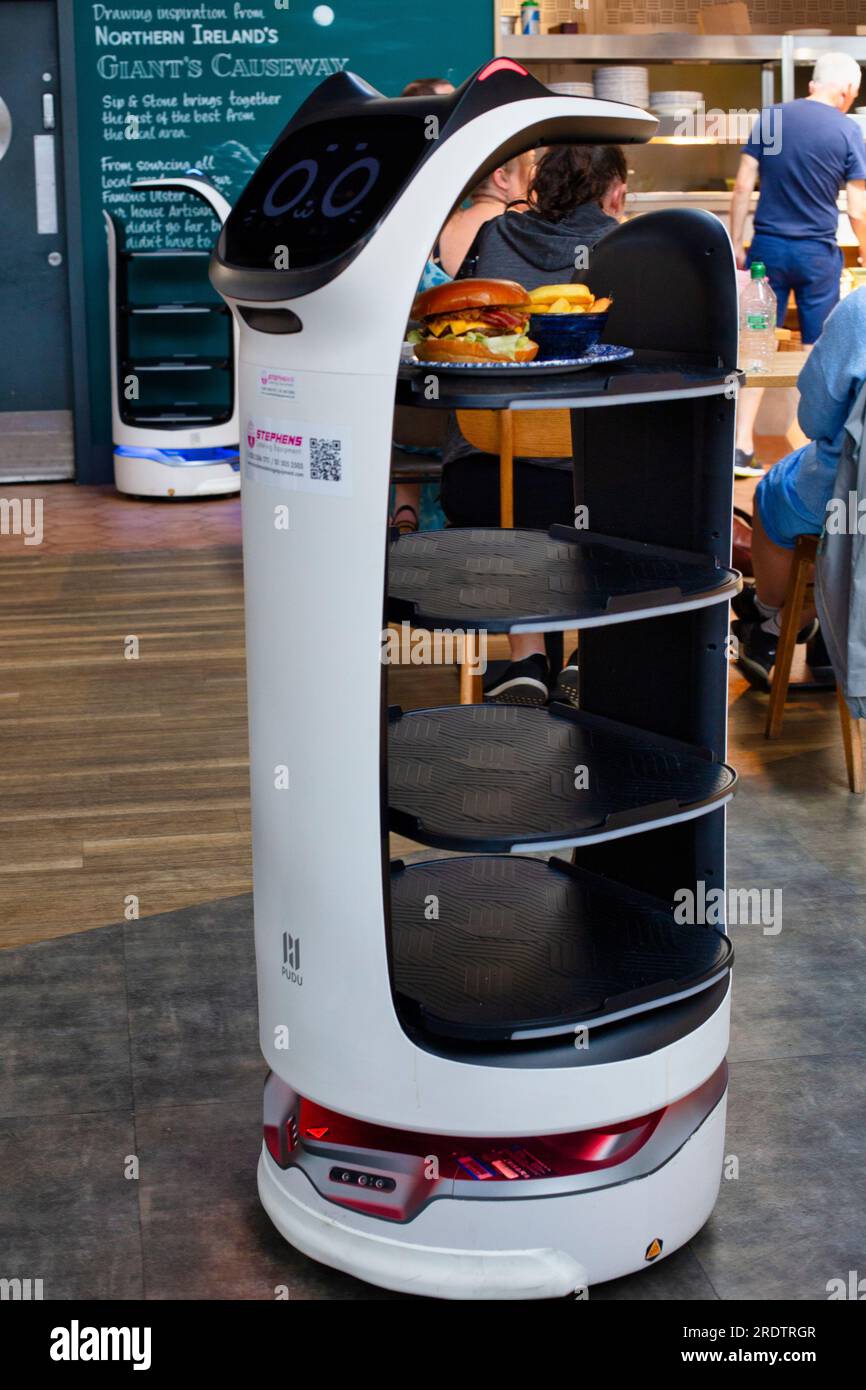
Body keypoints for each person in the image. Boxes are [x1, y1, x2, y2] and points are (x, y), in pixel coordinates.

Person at [440, 144, 628, 705]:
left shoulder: (493, 236)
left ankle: (525, 660)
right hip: (589, 489)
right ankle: (589, 654)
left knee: (516, 508)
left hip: (481, 478)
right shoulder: (625, 249)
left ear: (539, 185)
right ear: (614, 191)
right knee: (631, 493)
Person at [729, 51, 866, 477]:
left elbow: (743, 185)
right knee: (815, 350)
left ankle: (740, 446)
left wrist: (736, 242)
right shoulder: (848, 129)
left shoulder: (772, 117)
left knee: (757, 345)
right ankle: (807, 449)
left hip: (766, 253)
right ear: (845, 92)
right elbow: (858, 203)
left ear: (812, 85)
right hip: (816, 256)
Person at [732, 286, 866, 687]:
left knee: (774, 491)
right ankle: (805, 626)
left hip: (852, 500)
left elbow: (816, 419)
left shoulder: (860, 310)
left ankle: (772, 620)